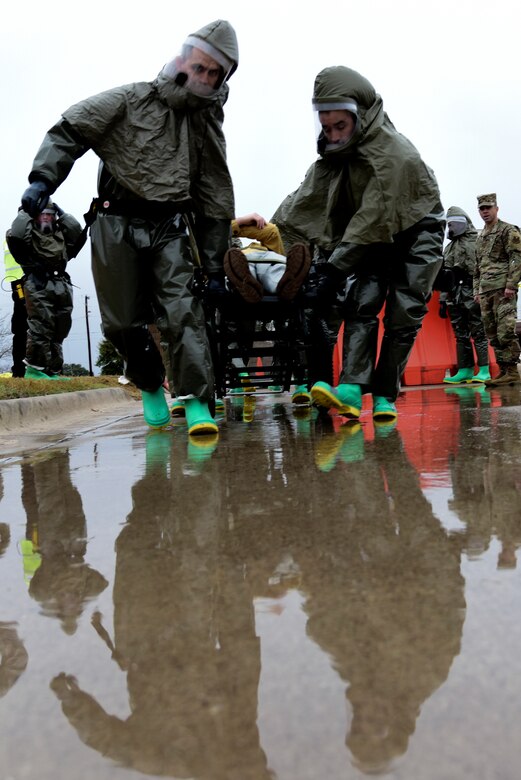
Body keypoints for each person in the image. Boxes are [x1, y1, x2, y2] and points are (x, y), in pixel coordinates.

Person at [19, 20, 239, 436]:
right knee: (121, 321)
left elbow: (214, 198)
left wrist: (213, 269)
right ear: (184, 59)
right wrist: (42, 179)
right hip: (114, 220)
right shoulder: (132, 98)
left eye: (216, 73)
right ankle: (151, 385)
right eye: (201, 67)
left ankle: (196, 403)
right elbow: (72, 129)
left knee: (183, 312)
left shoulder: (207, 122)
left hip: (170, 225)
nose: (205, 78)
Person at [272, 66, 444, 422]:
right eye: (326, 127)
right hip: (369, 237)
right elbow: (302, 204)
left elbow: (374, 216)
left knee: (404, 314)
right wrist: (280, 246)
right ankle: (351, 388)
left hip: (417, 229)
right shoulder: (336, 159)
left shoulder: (394, 154)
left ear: (360, 116)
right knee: (361, 303)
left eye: (340, 126)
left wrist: (334, 268)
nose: (333, 134)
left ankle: (384, 395)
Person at [6, 200, 85, 379]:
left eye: (50, 213)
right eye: (42, 213)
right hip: (37, 282)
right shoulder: (24, 236)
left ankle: (53, 369)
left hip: (61, 283)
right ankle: (35, 368)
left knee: (60, 326)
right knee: (41, 325)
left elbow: (78, 237)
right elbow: (17, 236)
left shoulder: (59, 234)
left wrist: (64, 214)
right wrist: (26, 212)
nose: (46, 217)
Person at [474, 193, 521, 386]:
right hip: (486, 291)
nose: (485, 211)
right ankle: (503, 370)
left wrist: (511, 284)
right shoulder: (481, 236)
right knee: (492, 333)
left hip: (503, 289)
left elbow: (517, 258)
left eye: (488, 207)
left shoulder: (508, 230)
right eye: (482, 208)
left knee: (505, 330)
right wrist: (476, 290)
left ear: (496, 208)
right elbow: (477, 267)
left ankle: (512, 370)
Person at [441, 206, 491, 384]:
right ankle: (465, 369)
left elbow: (484, 270)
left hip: (472, 293)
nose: (451, 227)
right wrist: (443, 300)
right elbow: (444, 275)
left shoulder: (477, 242)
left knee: (479, 331)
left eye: (454, 223)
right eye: (449, 224)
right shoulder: (449, 248)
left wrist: (480, 292)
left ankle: (484, 369)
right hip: (454, 296)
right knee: (460, 334)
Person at [223, 212, 311, 303]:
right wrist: (240, 221)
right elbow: (217, 235)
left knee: (275, 269)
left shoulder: (264, 249)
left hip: (267, 257)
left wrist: (241, 223)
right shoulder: (228, 256)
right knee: (244, 268)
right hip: (241, 262)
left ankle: (287, 284)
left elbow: (271, 231)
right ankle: (249, 285)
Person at [2, 239, 27, 378]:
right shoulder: (22, 233)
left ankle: (19, 369)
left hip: (18, 283)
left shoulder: (12, 234)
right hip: (24, 282)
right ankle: (21, 369)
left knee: (20, 329)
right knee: (23, 328)